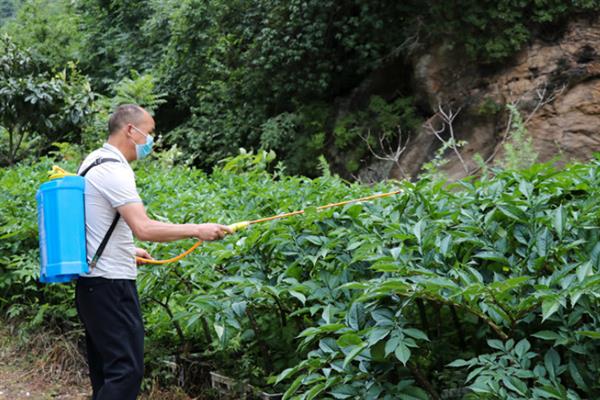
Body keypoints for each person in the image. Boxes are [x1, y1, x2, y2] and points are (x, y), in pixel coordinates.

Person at [75, 104, 232, 400]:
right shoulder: (114, 169)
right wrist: (197, 229)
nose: (151, 141)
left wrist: (126, 250)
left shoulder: (93, 161)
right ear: (130, 131)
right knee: (126, 372)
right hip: (111, 287)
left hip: (93, 285)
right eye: (149, 133)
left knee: (106, 371)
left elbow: (92, 222)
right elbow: (144, 227)